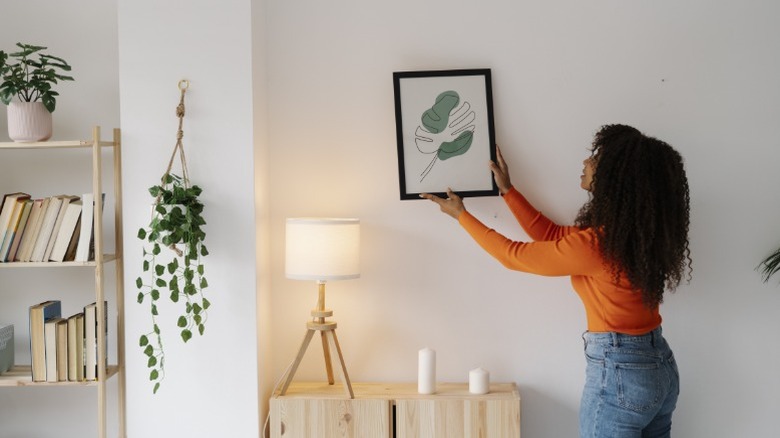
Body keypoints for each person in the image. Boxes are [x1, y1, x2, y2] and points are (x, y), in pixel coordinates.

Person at [421, 124, 690, 438]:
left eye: (597, 158)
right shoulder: (629, 239)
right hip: (660, 368)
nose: (587, 162)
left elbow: (514, 255)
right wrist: (509, 192)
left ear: (616, 178)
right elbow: (552, 237)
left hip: (622, 374)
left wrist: (462, 216)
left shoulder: (597, 246)